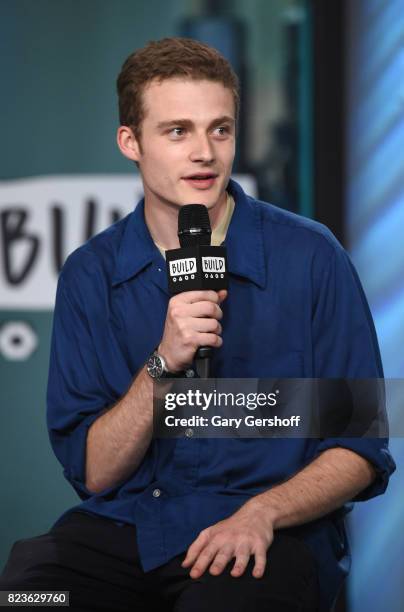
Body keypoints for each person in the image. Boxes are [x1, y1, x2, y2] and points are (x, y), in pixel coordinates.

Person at [0, 38, 395, 612]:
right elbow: (95, 471)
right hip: (126, 529)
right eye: (178, 131)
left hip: (263, 533)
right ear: (130, 142)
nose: (204, 153)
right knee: (31, 597)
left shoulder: (311, 257)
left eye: (220, 130)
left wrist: (261, 514)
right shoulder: (92, 272)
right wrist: (164, 361)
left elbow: (361, 447)